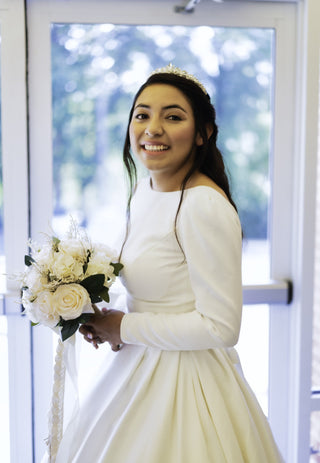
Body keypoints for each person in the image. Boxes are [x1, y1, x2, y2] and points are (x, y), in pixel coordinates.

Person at [55, 64, 284, 462]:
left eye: (173, 116)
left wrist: (124, 326)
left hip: (187, 384)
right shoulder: (145, 190)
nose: (152, 128)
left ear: (202, 133)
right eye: (142, 114)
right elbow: (163, 290)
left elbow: (220, 326)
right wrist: (106, 319)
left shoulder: (203, 205)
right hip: (136, 363)